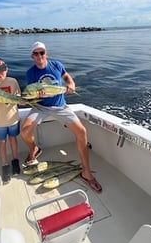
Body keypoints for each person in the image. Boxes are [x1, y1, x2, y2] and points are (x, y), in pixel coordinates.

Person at [20, 42, 102, 193]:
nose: (39, 56)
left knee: (82, 132)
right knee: (24, 131)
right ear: (32, 57)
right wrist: (34, 96)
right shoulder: (30, 72)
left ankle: (86, 172)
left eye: (42, 52)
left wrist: (71, 83)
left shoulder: (56, 65)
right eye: (36, 54)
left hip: (60, 106)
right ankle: (34, 149)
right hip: (41, 106)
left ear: (46, 53)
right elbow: (30, 93)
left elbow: (66, 75)